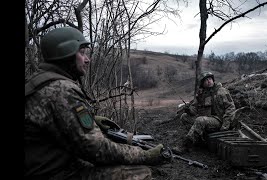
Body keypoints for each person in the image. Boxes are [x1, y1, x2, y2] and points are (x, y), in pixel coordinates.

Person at [25, 27, 165, 180]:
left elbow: (57, 122)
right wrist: (144, 155)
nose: (87, 59)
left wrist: (92, 119)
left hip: (44, 165)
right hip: (54, 173)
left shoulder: (37, 80)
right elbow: (97, 149)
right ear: (65, 54)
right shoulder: (62, 90)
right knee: (140, 173)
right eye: (82, 53)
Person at [174, 71, 237, 153]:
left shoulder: (221, 91)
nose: (209, 81)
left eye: (210, 79)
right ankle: (199, 141)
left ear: (213, 80)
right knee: (184, 117)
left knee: (200, 120)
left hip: (219, 120)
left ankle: (186, 145)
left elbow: (231, 108)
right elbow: (195, 109)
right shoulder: (201, 94)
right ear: (202, 83)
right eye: (206, 80)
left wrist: (225, 126)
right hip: (205, 120)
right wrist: (189, 109)